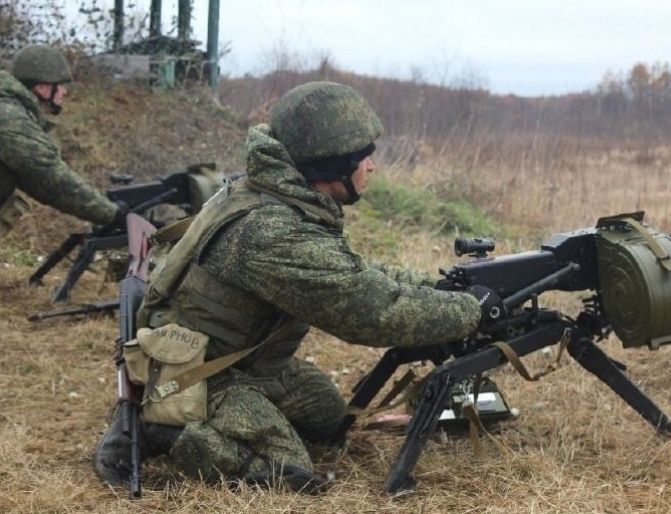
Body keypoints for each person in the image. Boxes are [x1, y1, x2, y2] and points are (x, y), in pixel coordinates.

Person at [94, 81, 501, 493]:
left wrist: (446, 286)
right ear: (332, 165)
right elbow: (373, 312)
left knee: (328, 418)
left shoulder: (279, 196)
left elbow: (355, 272)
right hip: (198, 370)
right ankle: (159, 431)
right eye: (364, 158)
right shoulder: (272, 232)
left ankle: (201, 417)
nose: (372, 167)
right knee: (285, 468)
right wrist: (474, 309)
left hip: (241, 359)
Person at [0, 44, 122, 237]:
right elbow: (52, 181)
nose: (65, 92)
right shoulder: (9, 119)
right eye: (60, 85)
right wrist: (112, 214)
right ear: (42, 88)